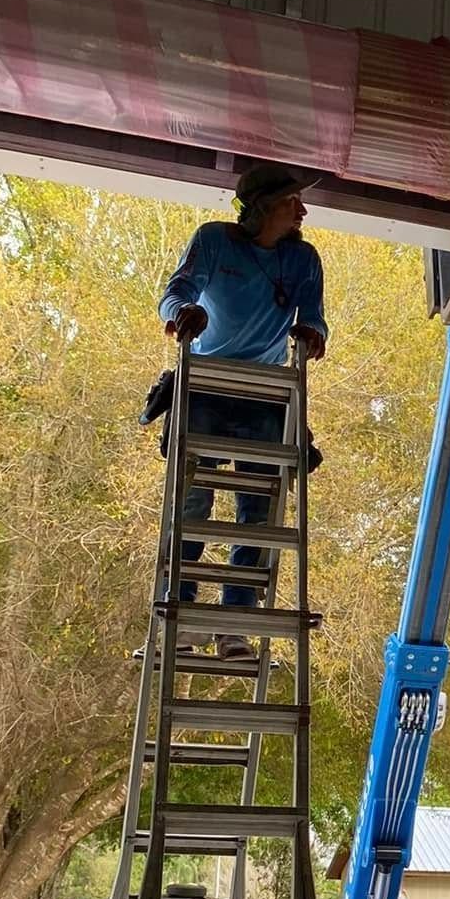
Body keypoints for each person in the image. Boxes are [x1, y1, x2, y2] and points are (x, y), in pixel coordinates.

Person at [158, 162, 329, 657]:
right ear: (262, 208)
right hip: (207, 385)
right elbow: (175, 292)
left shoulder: (302, 260)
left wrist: (313, 335)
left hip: (264, 394)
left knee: (258, 511)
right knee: (193, 502)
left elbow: (313, 315)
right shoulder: (214, 241)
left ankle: (235, 619)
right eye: (291, 201)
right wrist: (181, 314)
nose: (301, 210)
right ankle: (184, 620)